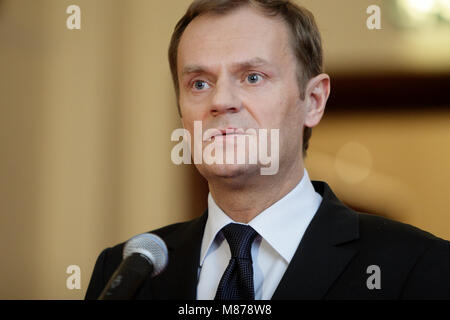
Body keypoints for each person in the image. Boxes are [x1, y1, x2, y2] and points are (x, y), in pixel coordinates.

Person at [85, 0, 450, 300]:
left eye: (252, 77)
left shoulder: (418, 266)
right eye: (199, 83)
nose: (221, 101)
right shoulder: (125, 271)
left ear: (314, 100)